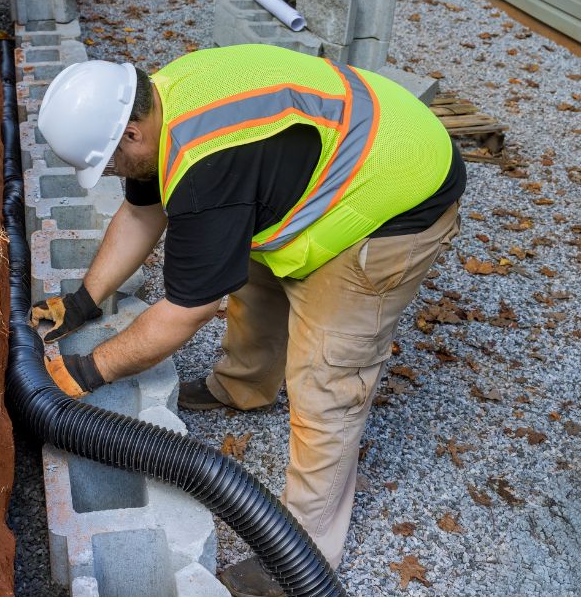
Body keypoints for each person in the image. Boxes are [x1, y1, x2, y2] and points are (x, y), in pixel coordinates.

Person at [31, 44, 464, 593]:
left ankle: (301, 557)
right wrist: (82, 301)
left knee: (327, 379)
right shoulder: (155, 102)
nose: (112, 173)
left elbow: (186, 311)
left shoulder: (207, 169)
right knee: (254, 271)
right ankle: (244, 386)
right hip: (340, 154)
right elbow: (143, 212)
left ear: (131, 134)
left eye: (108, 162)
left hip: (395, 192)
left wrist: (87, 371)